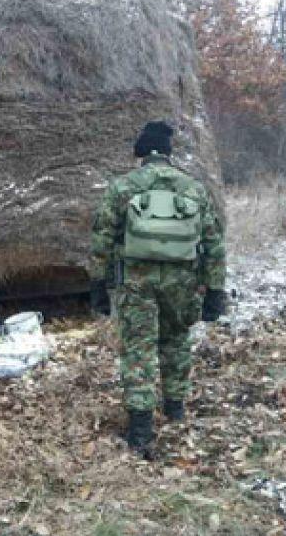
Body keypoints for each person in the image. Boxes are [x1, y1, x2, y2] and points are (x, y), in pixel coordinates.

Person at [90, 121, 227, 458]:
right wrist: (215, 290)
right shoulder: (193, 188)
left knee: (139, 349)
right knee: (177, 339)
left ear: (142, 154)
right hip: (182, 281)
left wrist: (98, 283)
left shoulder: (123, 187)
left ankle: (140, 430)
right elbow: (213, 243)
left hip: (137, 282)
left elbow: (102, 239)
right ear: (168, 153)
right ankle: (176, 409)